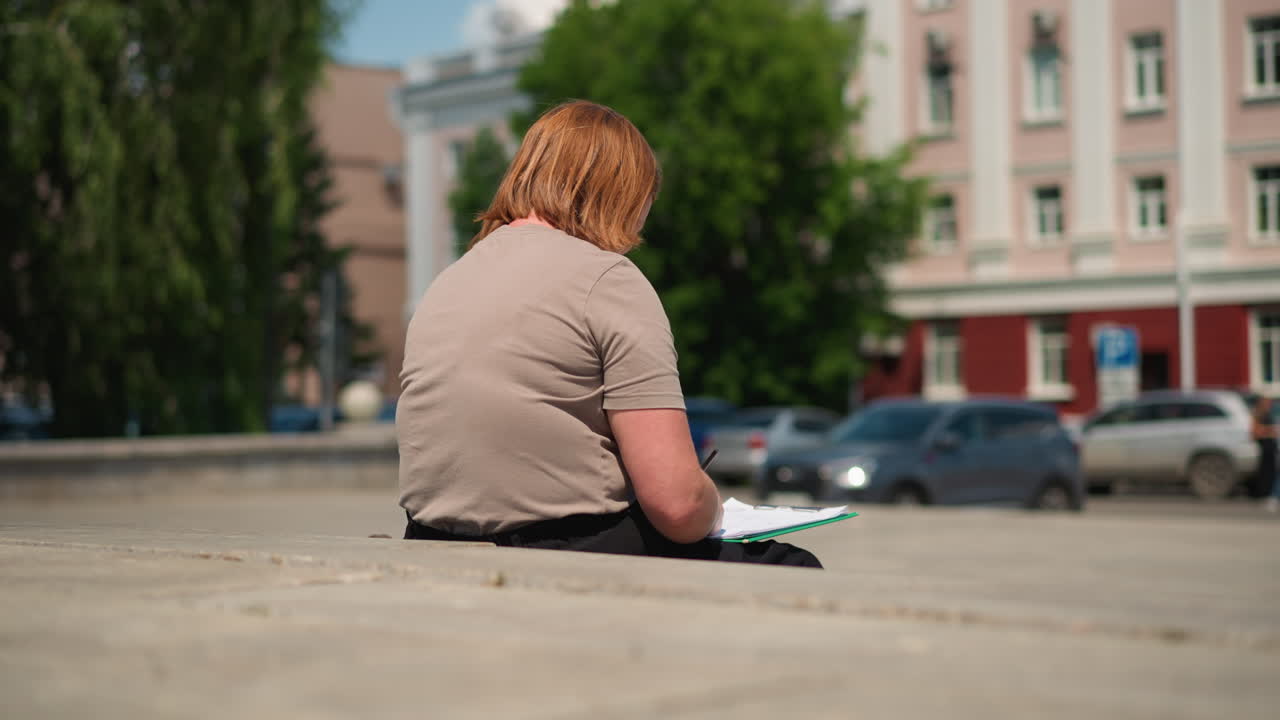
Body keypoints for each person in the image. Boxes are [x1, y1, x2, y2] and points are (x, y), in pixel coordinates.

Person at [396, 100, 821, 568]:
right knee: (793, 568)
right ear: (622, 193)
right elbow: (676, 505)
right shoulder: (606, 279)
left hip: (431, 542)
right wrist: (713, 506)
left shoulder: (449, 280)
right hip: (563, 549)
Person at [1252, 396, 1278, 511]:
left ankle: (1268, 495)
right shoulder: (1258, 414)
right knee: (1266, 473)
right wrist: (1270, 431)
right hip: (1264, 448)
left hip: (1271, 448)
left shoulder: (1268, 414)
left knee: (1271, 472)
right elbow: (1255, 432)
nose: (1269, 404)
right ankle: (1266, 495)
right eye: (1267, 402)